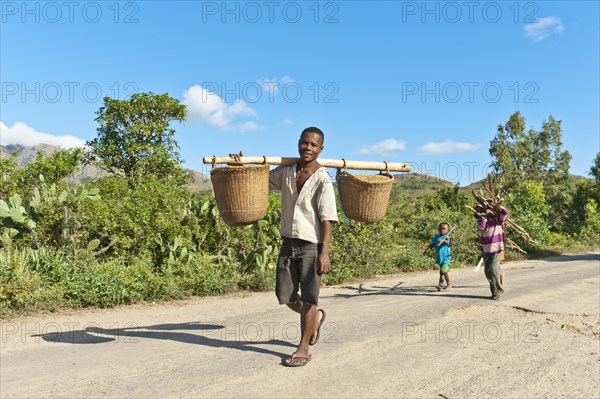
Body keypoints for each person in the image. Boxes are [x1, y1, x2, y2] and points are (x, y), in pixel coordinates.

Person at [230, 126, 338, 367]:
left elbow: (328, 217)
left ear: (321, 149)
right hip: (288, 241)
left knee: (310, 297)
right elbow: (259, 181)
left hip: (312, 244)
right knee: (285, 295)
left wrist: (325, 252)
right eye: (305, 143)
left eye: (314, 145)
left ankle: (302, 348)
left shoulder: (323, 179)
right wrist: (242, 167)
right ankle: (316, 317)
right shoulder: (286, 172)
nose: (308, 148)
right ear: (298, 143)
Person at [474, 204, 509, 300]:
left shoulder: (497, 221)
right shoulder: (480, 221)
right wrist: (484, 217)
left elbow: (505, 213)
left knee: (493, 271)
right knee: (487, 272)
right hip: (486, 250)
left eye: (481, 209)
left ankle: (496, 292)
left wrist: (499, 206)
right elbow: (482, 227)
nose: (479, 211)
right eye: (477, 210)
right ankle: (499, 275)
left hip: (496, 249)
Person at [423, 222, 452, 291]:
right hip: (439, 258)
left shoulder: (447, 237)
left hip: (446, 258)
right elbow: (432, 245)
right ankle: (441, 285)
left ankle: (447, 284)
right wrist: (427, 250)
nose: (442, 230)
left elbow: (448, 242)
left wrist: (443, 240)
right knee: (442, 273)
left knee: (443, 271)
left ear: (447, 230)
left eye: (444, 229)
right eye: (440, 228)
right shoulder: (435, 238)